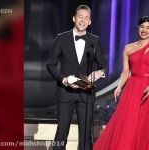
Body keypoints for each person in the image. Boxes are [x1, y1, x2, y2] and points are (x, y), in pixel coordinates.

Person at [93, 16, 149, 150]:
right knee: (128, 122)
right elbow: (126, 72)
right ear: (138, 28)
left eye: (148, 28)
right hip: (132, 88)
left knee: (146, 125)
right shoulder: (128, 48)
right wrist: (119, 87)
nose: (144, 30)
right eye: (142, 27)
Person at [46, 5, 107, 150]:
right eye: (80, 16)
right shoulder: (61, 38)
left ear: (90, 22)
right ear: (74, 18)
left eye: (86, 18)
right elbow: (50, 64)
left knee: (86, 136)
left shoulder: (94, 41)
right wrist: (64, 79)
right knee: (61, 135)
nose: (83, 20)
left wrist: (100, 73)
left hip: (86, 95)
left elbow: (103, 65)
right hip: (65, 93)